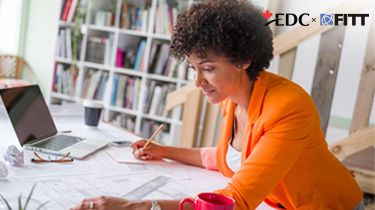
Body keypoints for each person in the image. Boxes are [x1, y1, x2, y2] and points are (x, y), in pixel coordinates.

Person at [70, 0, 365, 209]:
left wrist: (137, 207)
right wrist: (163, 151)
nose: (198, 82)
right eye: (192, 69)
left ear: (243, 60)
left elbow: (233, 201)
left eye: (208, 69)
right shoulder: (232, 97)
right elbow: (224, 157)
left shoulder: (289, 107)